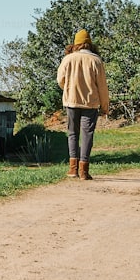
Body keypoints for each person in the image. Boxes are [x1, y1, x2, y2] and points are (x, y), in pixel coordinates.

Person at [56, 29, 110, 180]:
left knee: (73, 133)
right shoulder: (96, 60)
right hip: (90, 103)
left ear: (76, 43)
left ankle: (72, 169)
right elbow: (102, 87)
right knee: (87, 135)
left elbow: (60, 79)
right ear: (89, 44)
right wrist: (105, 106)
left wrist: (68, 89)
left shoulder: (68, 59)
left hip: (71, 101)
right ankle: (84, 172)